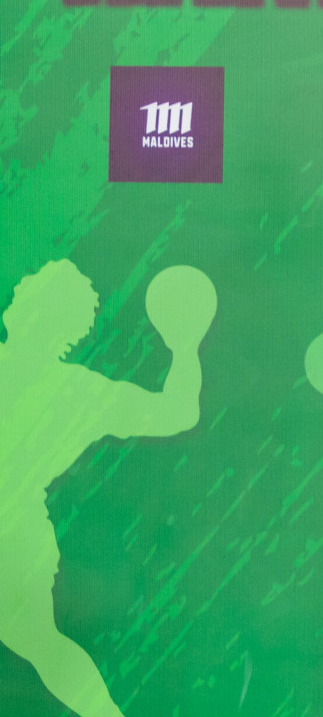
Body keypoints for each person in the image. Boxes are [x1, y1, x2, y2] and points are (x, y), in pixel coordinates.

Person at [0, 260, 216, 717]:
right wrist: (184, 346)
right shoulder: (79, 394)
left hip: (14, 537)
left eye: (27, 292)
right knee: (41, 644)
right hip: (19, 537)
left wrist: (186, 345)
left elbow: (178, 414)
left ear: (33, 311)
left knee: (40, 644)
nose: (16, 293)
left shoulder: (77, 393)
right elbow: (178, 412)